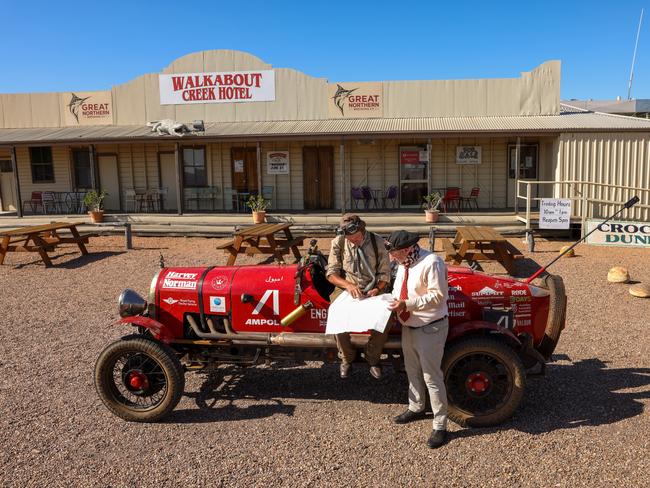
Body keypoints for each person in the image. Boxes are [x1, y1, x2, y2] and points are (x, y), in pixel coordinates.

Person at [386, 230, 449, 449]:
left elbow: (438, 295)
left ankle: (440, 425)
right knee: (411, 370)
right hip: (409, 326)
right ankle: (416, 407)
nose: (392, 258)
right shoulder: (405, 264)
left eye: (394, 253)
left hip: (430, 327)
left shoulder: (432, 262)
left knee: (432, 376)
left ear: (405, 250)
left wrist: (407, 305)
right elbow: (399, 290)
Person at [326, 214, 391, 379]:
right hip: (348, 288)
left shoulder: (377, 242)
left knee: (387, 315)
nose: (354, 241)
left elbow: (385, 274)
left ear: (363, 230)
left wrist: (377, 289)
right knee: (335, 312)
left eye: (356, 238)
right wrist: (348, 285)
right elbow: (331, 273)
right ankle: (347, 357)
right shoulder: (339, 242)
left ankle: (373, 357)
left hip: (374, 288)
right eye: (350, 239)